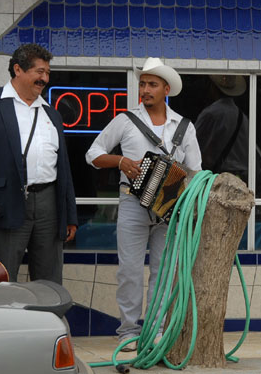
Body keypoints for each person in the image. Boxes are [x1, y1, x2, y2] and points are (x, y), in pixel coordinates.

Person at [85, 57, 201, 351]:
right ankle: (128, 331)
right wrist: (120, 161)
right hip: (132, 203)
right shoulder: (125, 121)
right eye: (143, 84)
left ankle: (156, 330)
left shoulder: (184, 127)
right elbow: (93, 153)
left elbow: (196, 172)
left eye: (152, 84)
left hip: (169, 212)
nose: (145, 89)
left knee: (164, 271)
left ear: (166, 89)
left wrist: (184, 201)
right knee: (130, 271)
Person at [0, 44, 77, 284]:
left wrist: (70, 214)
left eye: (47, 73)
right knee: (3, 278)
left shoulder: (51, 112)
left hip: (49, 203)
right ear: (17, 70)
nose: (44, 78)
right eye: (39, 71)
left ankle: (48, 322)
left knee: (49, 279)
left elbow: (62, 168)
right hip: (6, 203)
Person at [195, 75, 249, 181]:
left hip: (219, 178)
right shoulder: (242, 117)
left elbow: (194, 145)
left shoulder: (211, 113)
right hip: (241, 178)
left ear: (213, 87)